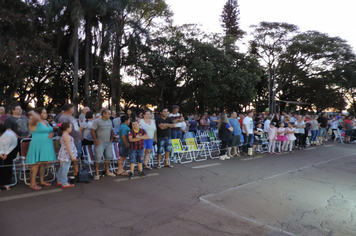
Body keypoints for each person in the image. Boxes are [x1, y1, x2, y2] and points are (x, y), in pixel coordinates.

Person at [26, 108, 57, 190]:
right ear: (39, 114)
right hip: (38, 144)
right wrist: (33, 112)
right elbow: (35, 118)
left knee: (43, 163)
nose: (46, 114)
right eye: (44, 113)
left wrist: (52, 134)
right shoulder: (33, 122)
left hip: (47, 144)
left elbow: (50, 130)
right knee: (36, 164)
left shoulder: (46, 122)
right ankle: (32, 183)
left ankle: (41, 180)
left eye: (46, 112)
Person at [4, 105, 30, 190]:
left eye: (20, 108)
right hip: (14, 142)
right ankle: (6, 181)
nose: (20, 110)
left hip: (25, 141)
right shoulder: (9, 119)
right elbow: (8, 129)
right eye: (18, 109)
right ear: (13, 110)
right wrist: (18, 136)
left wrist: (29, 134)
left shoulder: (25, 118)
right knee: (9, 160)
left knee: (27, 158)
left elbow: (28, 126)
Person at [90, 109, 115, 180]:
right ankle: (97, 173)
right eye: (108, 114)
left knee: (108, 157)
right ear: (104, 114)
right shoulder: (97, 121)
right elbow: (92, 131)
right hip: (100, 142)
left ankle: (107, 171)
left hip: (108, 142)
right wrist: (95, 140)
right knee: (98, 158)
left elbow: (111, 130)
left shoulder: (110, 121)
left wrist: (111, 139)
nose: (110, 115)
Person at [58, 104, 81, 177]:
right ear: (69, 109)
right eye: (73, 108)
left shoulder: (72, 117)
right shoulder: (63, 118)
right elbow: (63, 129)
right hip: (70, 140)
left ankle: (76, 171)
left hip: (76, 139)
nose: (74, 109)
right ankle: (73, 173)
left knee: (77, 155)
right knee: (70, 157)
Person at [57, 122, 77, 188]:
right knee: (65, 168)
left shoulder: (62, 136)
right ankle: (64, 182)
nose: (71, 129)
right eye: (70, 127)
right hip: (66, 154)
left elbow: (61, 143)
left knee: (62, 168)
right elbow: (68, 146)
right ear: (67, 128)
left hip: (63, 153)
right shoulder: (67, 137)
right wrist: (72, 156)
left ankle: (59, 180)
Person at [0, 124, 17, 191]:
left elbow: (14, 144)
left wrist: (6, 153)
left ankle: (6, 183)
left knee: (7, 166)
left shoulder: (10, 134)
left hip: (9, 151)